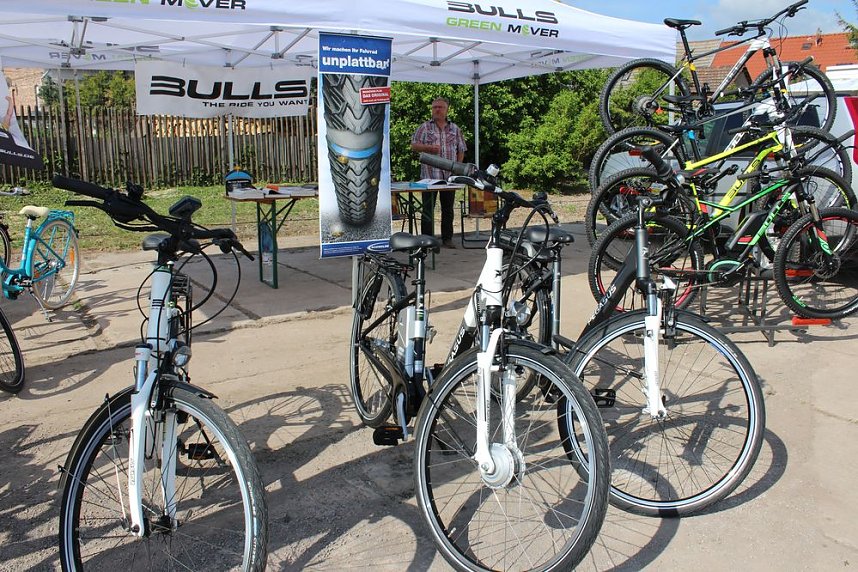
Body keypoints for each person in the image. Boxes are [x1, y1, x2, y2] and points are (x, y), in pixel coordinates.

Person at [410, 97, 467, 248]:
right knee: (427, 210)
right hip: (429, 177)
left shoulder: (455, 128)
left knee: (448, 209)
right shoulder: (424, 127)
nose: (437, 110)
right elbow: (414, 146)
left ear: (447, 110)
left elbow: (461, 149)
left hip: (449, 178)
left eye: (440, 107)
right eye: (434, 107)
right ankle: (427, 241)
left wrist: (457, 168)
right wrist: (428, 148)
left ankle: (447, 239)